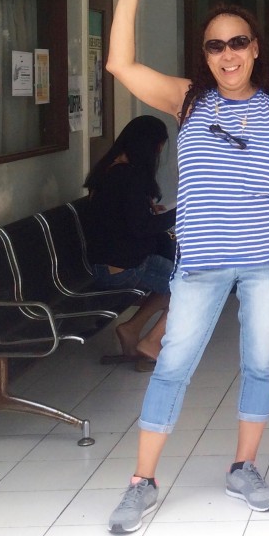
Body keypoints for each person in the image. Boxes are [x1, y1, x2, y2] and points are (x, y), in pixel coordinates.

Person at [104, 0, 269, 534]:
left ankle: (244, 468)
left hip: (268, 261)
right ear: (205, 55)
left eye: (238, 42)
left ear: (256, 47)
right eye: (216, 46)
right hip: (201, 264)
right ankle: (141, 482)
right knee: (172, 366)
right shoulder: (188, 99)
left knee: (259, 364)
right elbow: (119, 62)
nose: (228, 54)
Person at [84, 115, 176, 373]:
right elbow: (141, 227)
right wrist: (179, 213)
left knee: (182, 276)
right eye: (159, 145)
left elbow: (120, 216)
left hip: (113, 259)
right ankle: (150, 342)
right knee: (192, 287)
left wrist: (149, 211)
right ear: (150, 146)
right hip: (122, 266)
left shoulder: (109, 169)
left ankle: (132, 329)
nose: (159, 152)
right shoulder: (128, 176)